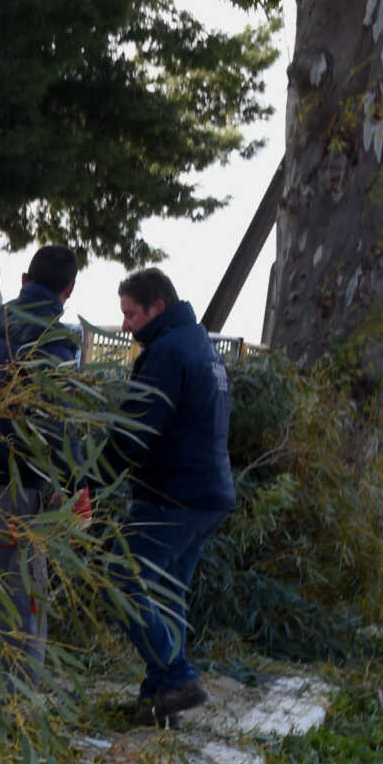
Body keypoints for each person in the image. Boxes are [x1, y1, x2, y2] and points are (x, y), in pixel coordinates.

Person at [106, 266, 236, 724]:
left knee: (119, 580)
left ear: (157, 308)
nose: (125, 326)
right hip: (207, 494)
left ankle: (178, 677)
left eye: (130, 314)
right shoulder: (201, 346)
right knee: (166, 594)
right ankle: (159, 702)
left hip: (172, 496)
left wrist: (92, 478)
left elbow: (135, 430)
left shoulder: (168, 352)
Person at [0, 244, 83, 672]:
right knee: (21, 596)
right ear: (69, 290)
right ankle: (13, 702)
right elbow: (54, 418)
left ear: (24, 280)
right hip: (16, 484)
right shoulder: (54, 336)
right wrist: (73, 481)